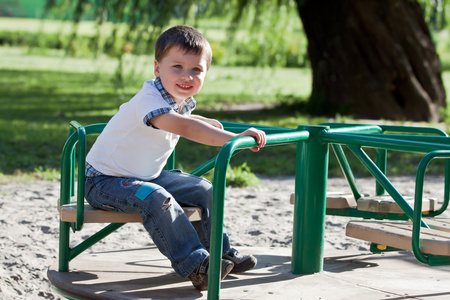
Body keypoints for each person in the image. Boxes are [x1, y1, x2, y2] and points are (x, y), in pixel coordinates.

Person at [84, 25, 267, 290]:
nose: (187, 76)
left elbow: (187, 119)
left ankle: (218, 253)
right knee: (157, 198)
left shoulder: (177, 99)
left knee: (203, 189)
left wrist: (207, 122)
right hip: (103, 181)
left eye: (196, 69)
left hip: (146, 175)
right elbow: (185, 127)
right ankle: (195, 265)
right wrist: (235, 138)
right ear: (157, 68)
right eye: (177, 67)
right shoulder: (149, 98)